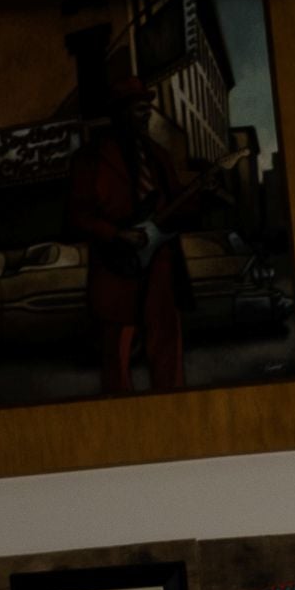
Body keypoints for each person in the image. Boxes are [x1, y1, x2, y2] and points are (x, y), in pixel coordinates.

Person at [66, 76, 188, 394]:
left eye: (148, 107)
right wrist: (118, 234)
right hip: (116, 265)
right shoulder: (90, 158)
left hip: (161, 262)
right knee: (116, 351)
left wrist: (201, 195)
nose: (147, 113)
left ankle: (174, 404)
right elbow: (77, 216)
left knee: (166, 342)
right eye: (139, 108)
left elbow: (178, 206)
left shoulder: (159, 156)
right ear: (120, 112)